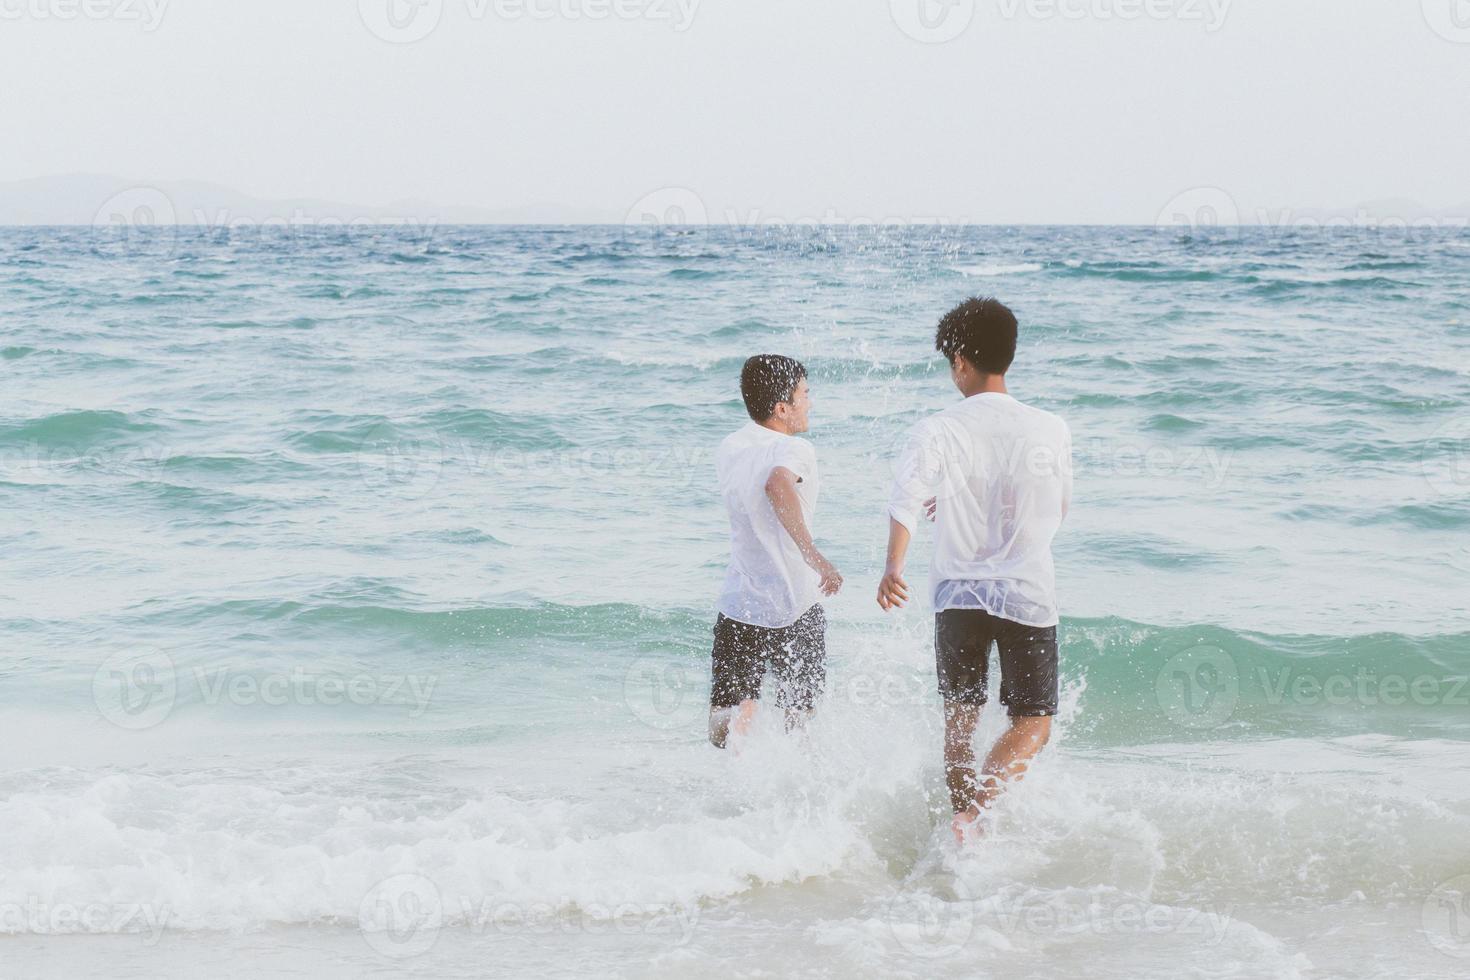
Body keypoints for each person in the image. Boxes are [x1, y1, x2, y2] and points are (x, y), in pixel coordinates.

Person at [877, 297, 1072, 842]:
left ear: (961, 360)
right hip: (1028, 594)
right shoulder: (1050, 428)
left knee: (959, 722)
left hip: (956, 596)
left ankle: (959, 822)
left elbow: (905, 500)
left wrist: (894, 566)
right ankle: (977, 818)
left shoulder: (937, 428)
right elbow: (1056, 508)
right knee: (1033, 721)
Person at [709, 355, 843, 749]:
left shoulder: (729, 446)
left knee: (726, 727)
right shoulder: (796, 448)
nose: (810, 403)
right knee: (799, 725)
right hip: (795, 605)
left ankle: (735, 796)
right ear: (782, 408)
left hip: (740, 605)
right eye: (805, 394)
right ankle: (789, 798)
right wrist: (814, 555)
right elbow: (776, 483)